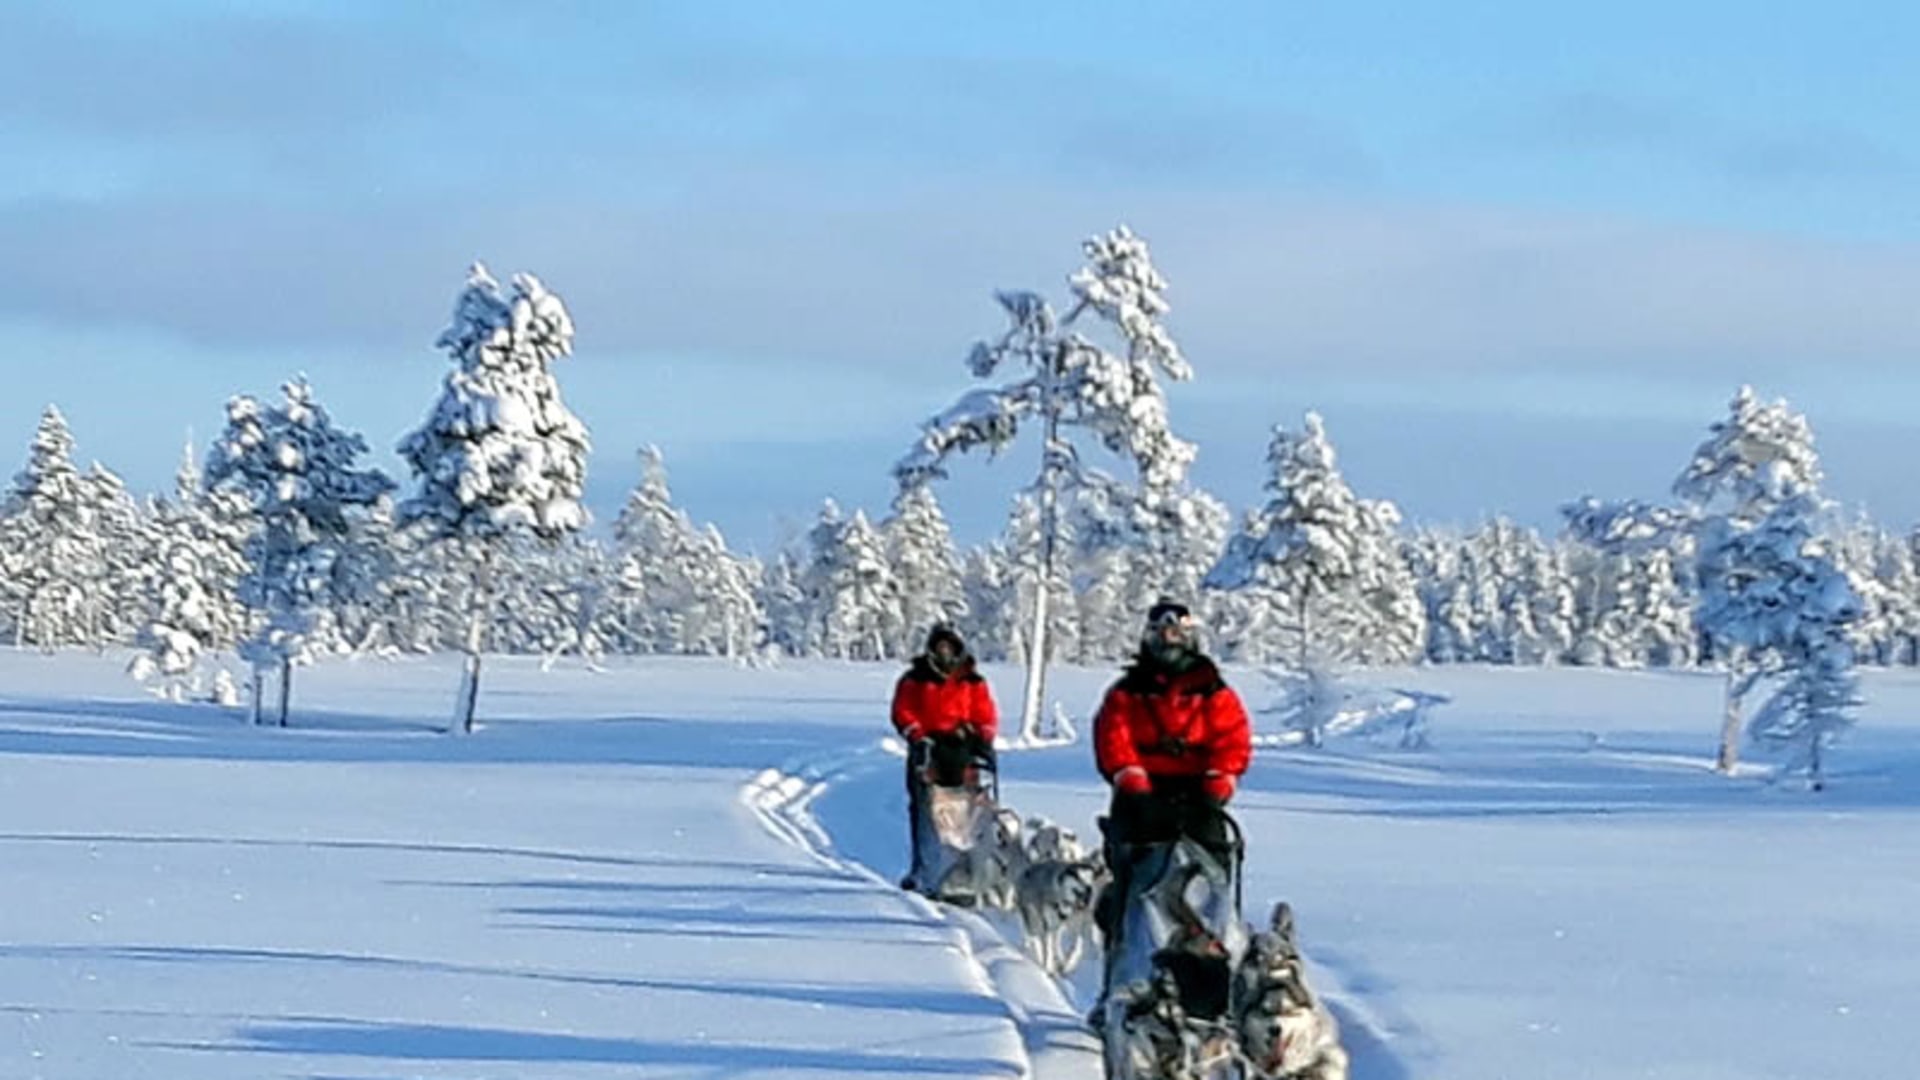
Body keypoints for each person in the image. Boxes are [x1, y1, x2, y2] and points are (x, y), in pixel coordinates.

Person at [1090, 599, 1252, 951]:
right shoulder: (1127, 691)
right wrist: (1128, 774)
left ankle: (1217, 941)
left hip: (1200, 790)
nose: (1169, 640)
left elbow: (1232, 737)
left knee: (1215, 859)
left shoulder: (1213, 690)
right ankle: (1125, 939)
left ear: (1190, 637)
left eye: (1177, 633)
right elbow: (1112, 733)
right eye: (1161, 633)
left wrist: (1221, 777)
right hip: (1143, 789)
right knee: (1134, 859)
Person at [891, 624, 999, 889]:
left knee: (970, 809)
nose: (945, 653)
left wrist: (983, 736)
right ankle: (924, 869)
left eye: (950, 647)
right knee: (924, 809)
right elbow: (902, 710)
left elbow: (985, 713)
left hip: (963, 748)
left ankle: (969, 870)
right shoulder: (915, 678)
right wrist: (916, 733)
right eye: (940, 647)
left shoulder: (972, 680)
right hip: (928, 748)